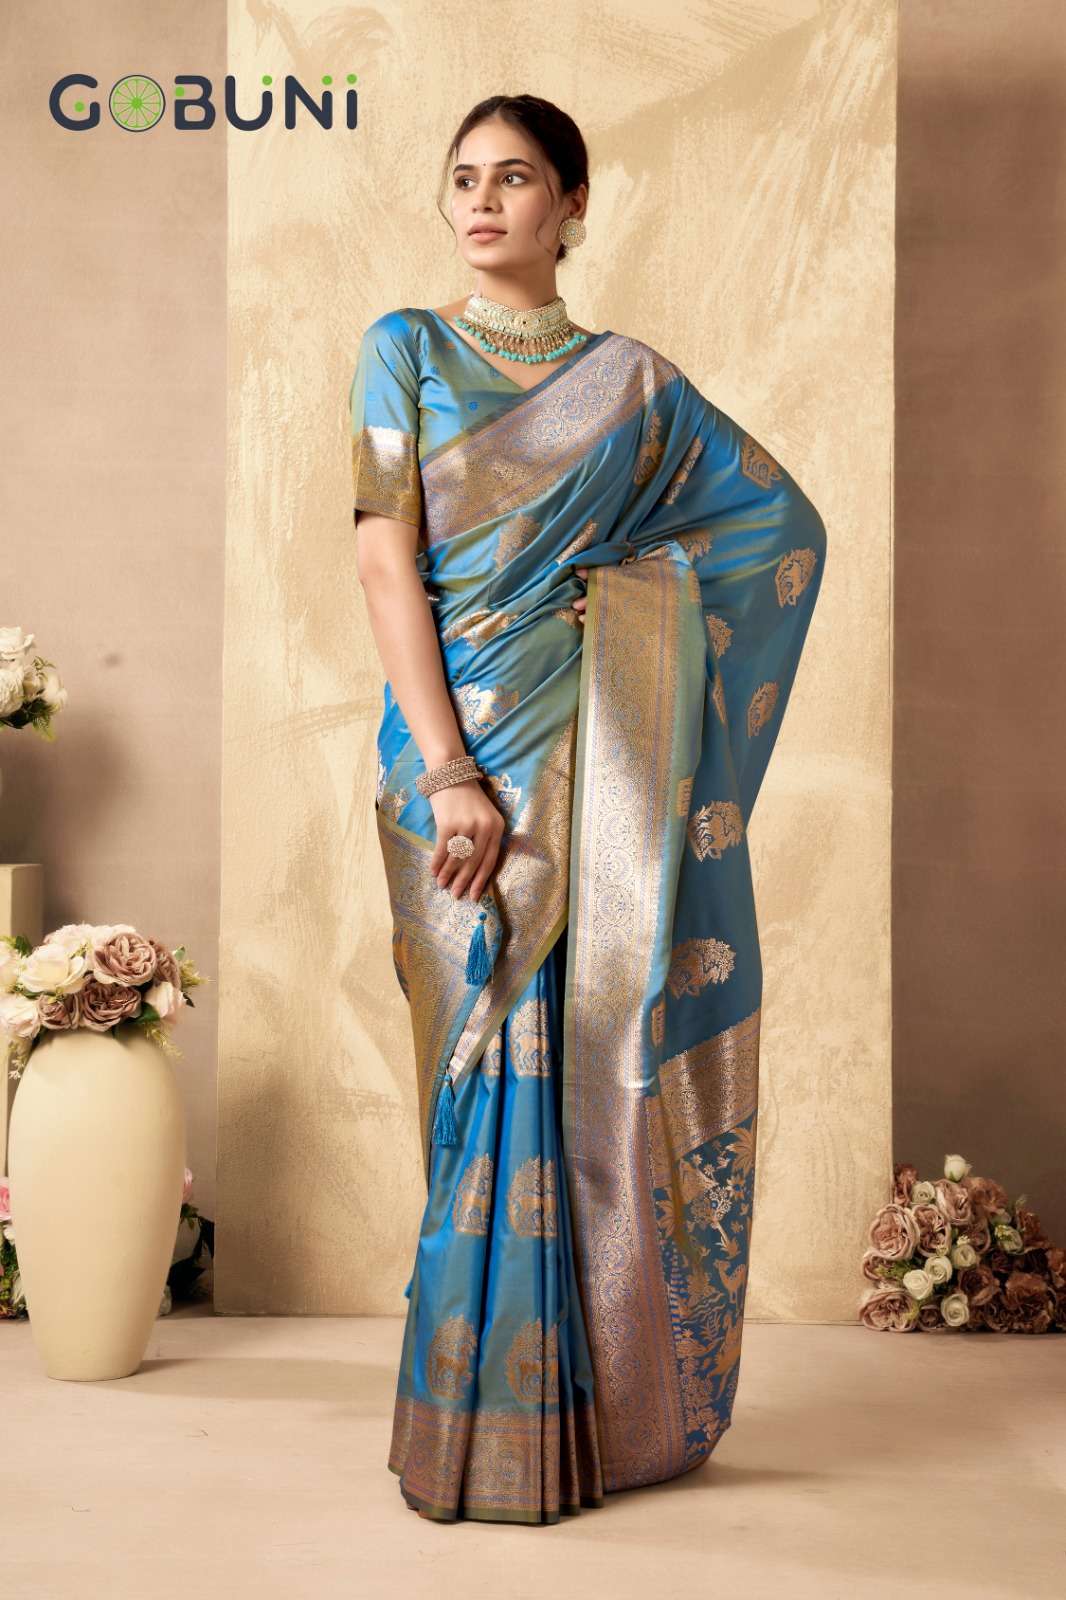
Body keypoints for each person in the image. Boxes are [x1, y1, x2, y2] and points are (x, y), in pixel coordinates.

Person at [349, 93, 827, 1525]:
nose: (481, 202)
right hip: (447, 754)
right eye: (463, 178)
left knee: (585, 1062)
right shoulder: (403, 347)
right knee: (476, 1066)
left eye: (515, 179)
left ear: (570, 205)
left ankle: (602, 1419)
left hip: (590, 756)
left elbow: (772, 531)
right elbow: (384, 561)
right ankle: (478, 1424)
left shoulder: (632, 385)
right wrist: (451, 773)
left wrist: (630, 605)